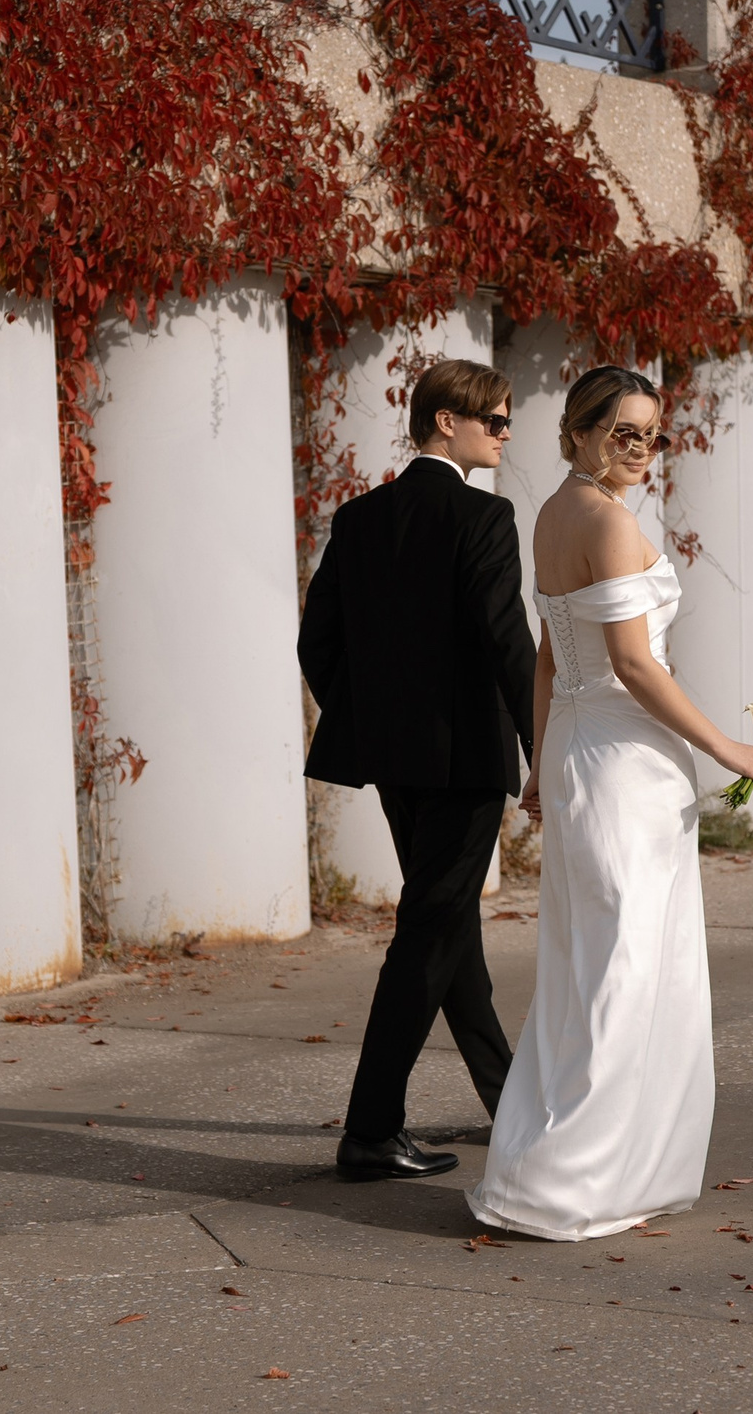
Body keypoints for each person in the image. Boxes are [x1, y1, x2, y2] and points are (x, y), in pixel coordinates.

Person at [466, 365, 753, 1241]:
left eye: (652, 434)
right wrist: (726, 747)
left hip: (579, 748)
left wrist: (537, 760)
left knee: (590, 961)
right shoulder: (604, 519)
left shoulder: (552, 513)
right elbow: (634, 666)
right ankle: (572, 1179)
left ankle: (598, 1165)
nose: (640, 451)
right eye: (623, 433)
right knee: (625, 966)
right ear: (577, 432)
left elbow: (546, 656)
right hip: (621, 759)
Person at [298, 358, 534, 1181]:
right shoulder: (484, 518)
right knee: (428, 934)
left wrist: (379, 724)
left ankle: (509, 1099)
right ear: (447, 423)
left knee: (447, 927)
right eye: (495, 422)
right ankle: (370, 1130)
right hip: (466, 764)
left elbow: (315, 645)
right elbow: (511, 642)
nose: (507, 434)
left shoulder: (359, 518)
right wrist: (544, 749)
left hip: (395, 765)